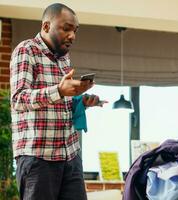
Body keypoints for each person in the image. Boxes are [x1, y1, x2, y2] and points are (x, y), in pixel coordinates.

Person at [10, 3, 104, 200]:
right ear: (46, 26)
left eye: (75, 30)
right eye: (66, 28)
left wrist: (80, 101)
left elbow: (60, 104)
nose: (73, 36)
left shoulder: (64, 58)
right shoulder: (26, 50)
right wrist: (59, 90)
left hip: (70, 155)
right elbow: (19, 99)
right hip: (38, 158)